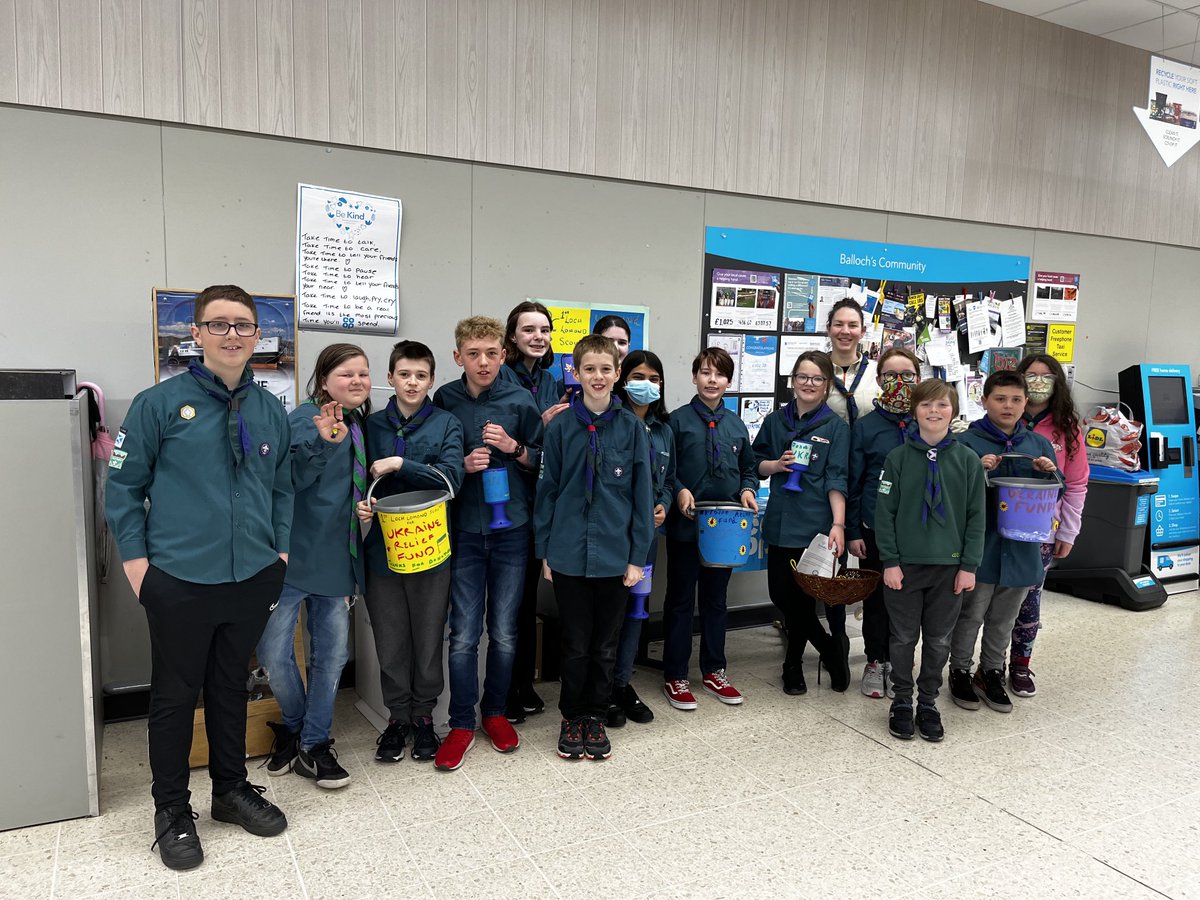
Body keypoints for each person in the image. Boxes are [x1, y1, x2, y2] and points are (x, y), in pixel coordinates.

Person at [106, 284, 291, 871]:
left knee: (231, 687)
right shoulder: (156, 405)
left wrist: (279, 555)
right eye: (219, 325)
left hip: (252, 576)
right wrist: (139, 568)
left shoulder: (268, 409)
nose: (232, 335)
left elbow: (282, 489)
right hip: (178, 579)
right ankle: (172, 810)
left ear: (258, 336)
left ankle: (230, 792)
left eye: (243, 326)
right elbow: (123, 490)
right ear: (197, 333)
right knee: (174, 696)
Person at [256, 344, 371, 790]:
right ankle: (300, 728)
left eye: (363, 373)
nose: (358, 381)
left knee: (332, 657)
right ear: (324, 381)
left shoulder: (359, 424)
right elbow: (290, 480)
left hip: (336, 558)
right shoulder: (305, 420)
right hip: (290, 557)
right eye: (347, 374)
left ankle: (312, 743)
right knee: (273, 655)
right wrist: (323, 441)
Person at [432, 316, 544, 771]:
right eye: (473, 354)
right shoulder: (444, 400)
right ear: (458, 356)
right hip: (462, 530)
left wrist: (515, 447)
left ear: (503, 354)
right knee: (462, 635)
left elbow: (542, 464)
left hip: (512, 531)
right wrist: (462, 465)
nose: (483, 362)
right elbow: (433, 462)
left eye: (491, 353)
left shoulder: (520, 400)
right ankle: (461, 722)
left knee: (504, 632)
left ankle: (494, 713)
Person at [534, 334, 654, 759]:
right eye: (589, 369)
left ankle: (596, 717)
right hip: (567, 552)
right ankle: (572, 716)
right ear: (576, 373)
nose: (598, 377)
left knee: (606, 644)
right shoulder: (562, 427)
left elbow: (642, 496)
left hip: (615, 556)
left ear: (617, 373)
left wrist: (637, 557)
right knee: (576, 642)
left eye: (606, 369)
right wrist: (545, 550)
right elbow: (547, 491)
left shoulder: (632, 428)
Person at [357, 340, 464, 763]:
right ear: (390, 379)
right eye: (405, 374)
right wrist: (361, 504)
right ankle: (397, 717)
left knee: (427, 635)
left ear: (432, 380)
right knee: (390, 638)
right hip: (382, 553)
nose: (413, 382)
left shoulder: (447, 424)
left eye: (421, 376)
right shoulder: (369, 426)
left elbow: (451, 481)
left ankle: (423, 718)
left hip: (430, 550)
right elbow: (352, 478)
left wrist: (402, 466)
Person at [874, 380, 986, 741]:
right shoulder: (897, 458)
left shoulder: (968, 460)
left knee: (939, 640)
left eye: (942, 405)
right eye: (925, 405)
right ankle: (902, 701)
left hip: (950, 569)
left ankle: (928, 701)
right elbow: (884, 515)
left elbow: (976, 517)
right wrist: (889, 561)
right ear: (914, 411)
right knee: (903, 637)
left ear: (953, 412)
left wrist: (969, 566)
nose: (933, 412)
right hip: (904, 568)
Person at [950, 371, 1058, 714]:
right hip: (982, 546)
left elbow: (1059, 489)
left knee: (1005, 617)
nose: (1008, 406)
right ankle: (960, 670)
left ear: (1026, 402)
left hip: (1023, 550)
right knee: (971, 614)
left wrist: (1048, 472)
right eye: (1000, 398)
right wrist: (975, 469)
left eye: (1015, 399)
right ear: (984, 401)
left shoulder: (1036, 444)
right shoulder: (967, 442)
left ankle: (992, 671)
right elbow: (950, 492)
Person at [662, 347, 759, 709]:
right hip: (687, 527)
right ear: (694, 377)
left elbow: (748, 467)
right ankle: (675, 675)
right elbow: (665, 470)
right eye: (705, 373)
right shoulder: (677, 421)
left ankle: (714, 670)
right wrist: (680, 490)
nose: (711, 380)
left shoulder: (736, 425)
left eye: (719, 374)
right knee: (681, 600)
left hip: (726, 528)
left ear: (729, 382)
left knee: (716, 601)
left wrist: (748, 488)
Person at [753, 350, 852, 695]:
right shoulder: (775, 422)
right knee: (781, 595)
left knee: (804, 600)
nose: (809, 384)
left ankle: (792, 667)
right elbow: (755, 465)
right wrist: (775, 466)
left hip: (816, 528)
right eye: (802, 377)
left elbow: (837, 480)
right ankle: (829, 648)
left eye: (817, 378)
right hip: (780, 522)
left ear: (827, 385)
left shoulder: (836, 428)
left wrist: (838, 525)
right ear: (792, 381)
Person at [499, 301, 570, 723]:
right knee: (508, 606)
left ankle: (523, 683)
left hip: (543, 502)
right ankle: (506, 688)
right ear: (512, 336)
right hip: (504, 501)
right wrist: (540, 426)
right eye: (528, 329)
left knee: (526, 601)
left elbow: (556, 450)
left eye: (544, 329)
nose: (538, 336)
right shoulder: (499, 378)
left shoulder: (555, 380)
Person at [1009, 354, 1088, 697]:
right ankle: (986, 664)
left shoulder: (1067, 428)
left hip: (1042, 528)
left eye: (1046, 377)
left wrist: (1068, 532)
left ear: (1058, 382)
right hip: (997, 527)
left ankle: (1021, 665)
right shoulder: (1004, 419)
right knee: (991, 601)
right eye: (1031, 376)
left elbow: (1077, 483)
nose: (1038, 382)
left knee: (1029, 598)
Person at [846, 348, 922, 699]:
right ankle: (876, 660)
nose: (900, 382)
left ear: (918, 380)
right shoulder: (865, 427)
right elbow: (855, 482)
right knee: (876, 599)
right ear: (879, 381)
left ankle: (900, 662)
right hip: (875, 528)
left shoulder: (929, 422)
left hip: (919, 530)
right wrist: (853, 531)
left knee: (909, 600)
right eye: (891, 376)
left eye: (907, 375)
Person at [608, 350, 675, 726]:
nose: (645, 384)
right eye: (638, 376)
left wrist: (663, 502)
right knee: (611, 611)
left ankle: (622, 682)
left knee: (636, 609)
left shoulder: (664, 429)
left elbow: (668, 479)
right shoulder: (612, 422)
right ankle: (603, 687)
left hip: (647, 539)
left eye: (654, 378)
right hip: (615, 537)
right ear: (622, 378)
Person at [825, 298, 877, 426]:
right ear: (829, 329)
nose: (845, 331)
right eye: (838, 324)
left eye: (853, 325)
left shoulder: (878, 372)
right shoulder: (815, 371)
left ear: (862, 331)